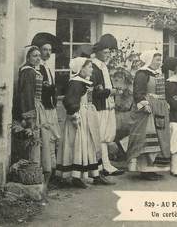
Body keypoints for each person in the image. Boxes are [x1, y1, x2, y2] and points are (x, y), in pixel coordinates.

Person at [56, 57, 114, 188]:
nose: (92, 69)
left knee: (92, 144)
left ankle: (95, 174)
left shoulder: (84, 82)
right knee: (80, 144)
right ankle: (76, 177)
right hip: (79, 116)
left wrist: (103, 91)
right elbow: (69, 100)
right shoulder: (75, 83)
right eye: (89, 67)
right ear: (81, 68)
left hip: (88, 115)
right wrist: (74, 115)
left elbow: (90, 96)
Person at [14, 46, 56, 195]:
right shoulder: (27, 71)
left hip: (40, 108)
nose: (38, 58)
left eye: (39, 56)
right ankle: (35, 179)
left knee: (43, 141)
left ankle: (43, 181)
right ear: (28, 57)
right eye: (34, 56)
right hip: (34, 109)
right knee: (36, 142)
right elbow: (26, 95)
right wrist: (29, 117)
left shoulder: (33, 71)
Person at [126, 50, 171, 181]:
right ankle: (144, 169)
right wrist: (145, 104)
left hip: (159, 108)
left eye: (160, 59)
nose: (160, 62)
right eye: (157, 59)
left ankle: (154, 168)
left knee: (159, 137)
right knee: (147, 138)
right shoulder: (142, 74)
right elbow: (138, 92)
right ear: (149, 60)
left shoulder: (158, 74)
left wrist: (165, 102)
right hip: (148, 109)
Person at [90, 34, 124, 176]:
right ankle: (100, 166)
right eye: (105, 52)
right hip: (99, 106)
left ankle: (106, 164)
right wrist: (111, 91)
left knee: (106, 136)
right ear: (97, 53)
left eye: (109, 52)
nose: (107, 55)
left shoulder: (103, 67)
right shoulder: (94, 68)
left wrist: (112, 91)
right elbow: (95, 91)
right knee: (100, 136)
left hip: (107, 105)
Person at [31, 34, 62, 180]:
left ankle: (52, 170)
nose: (48, 53)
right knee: (46, 139)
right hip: (43, 109)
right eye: (44, 50)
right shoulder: (38, 69)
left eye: (49, 50)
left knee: (53, 139)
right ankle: (46, 171)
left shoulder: (47, 68)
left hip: (51, 108)